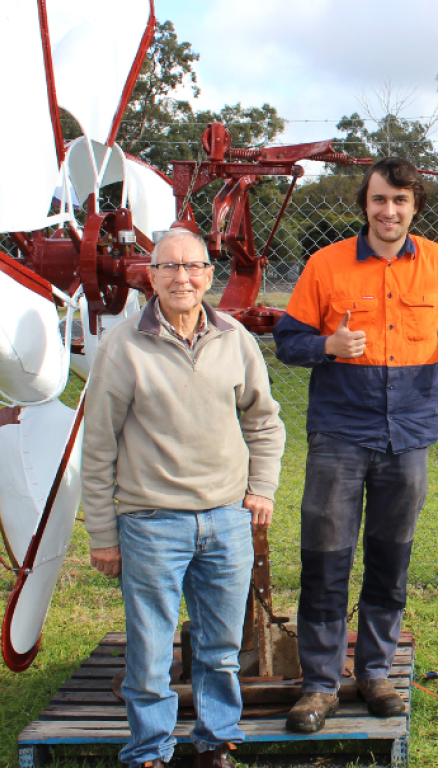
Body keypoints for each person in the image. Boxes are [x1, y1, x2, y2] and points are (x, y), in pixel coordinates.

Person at [274, 156, 438, 731]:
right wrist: (328, 346)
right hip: (339, 433)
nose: (388, 211)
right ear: (364, 205)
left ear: (414, 205)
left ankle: (373, 675)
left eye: (399, 200)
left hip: (409, 435)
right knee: (325, 559)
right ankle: (319, 687)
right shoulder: (327, 265)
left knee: (390, 559)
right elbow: (288, 340)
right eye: (378, 200)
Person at [83, 228, 286, 768]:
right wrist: (103, 535)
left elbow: (265, 424)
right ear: (151, 277)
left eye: (193, 266)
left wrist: (261, 488)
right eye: (169, 267)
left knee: (220, 648)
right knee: (150, 650)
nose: (182, 277)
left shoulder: (235, 340)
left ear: (208, 275)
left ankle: (216, 741)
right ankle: (150, 750)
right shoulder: (123, 347)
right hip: (151, 521)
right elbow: (99, 447)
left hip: (226, 519)